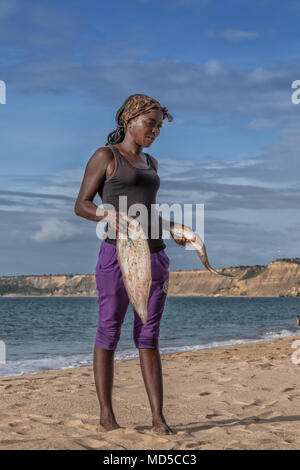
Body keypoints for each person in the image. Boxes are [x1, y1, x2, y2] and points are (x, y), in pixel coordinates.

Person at [74, 94, 190, 435]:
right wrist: (107, 213)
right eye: (149, 124)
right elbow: (81, 204)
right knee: (109, 330)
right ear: (129, 120)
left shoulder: (151, 163)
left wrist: (172, 229)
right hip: (117, 256)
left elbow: (148, 211)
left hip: (155, 255)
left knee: (149, 335)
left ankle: (158, 419)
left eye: (158, 126)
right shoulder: (105, 157)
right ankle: (106, 417)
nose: (154, 130)